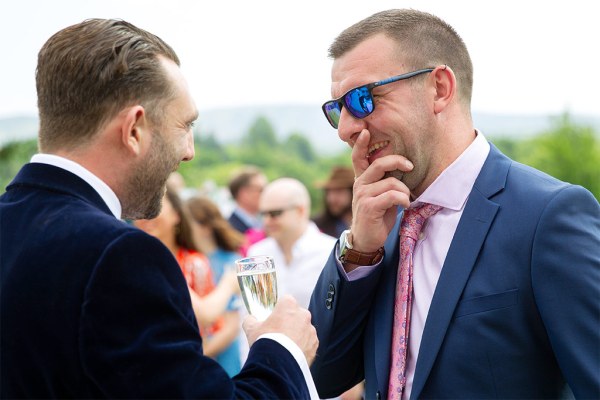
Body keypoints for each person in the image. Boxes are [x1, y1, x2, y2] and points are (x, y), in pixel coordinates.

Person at [0, 18, 318, 398]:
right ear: (135, 129)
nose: (189, 152)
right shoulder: (119, 257)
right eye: (184, 125)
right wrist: (282, 349)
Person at [309, 8, 600, 400]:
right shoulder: (379, 229)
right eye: (336, 110)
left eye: (363, 99)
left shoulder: (548, 217)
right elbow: (322, 375)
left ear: (440, 88)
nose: (346, 129)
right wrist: (359, 251)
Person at [133, 185, 238, 338]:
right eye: (138, 209)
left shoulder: (193, 263)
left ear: (176, 214)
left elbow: (205, 322)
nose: (145, 216)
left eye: (154, 205)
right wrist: (229, 283)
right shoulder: (133, 260)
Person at [247, 177, 336, 309]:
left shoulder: (331, 252)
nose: (267, 221)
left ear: (300, 210)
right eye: (263, 214)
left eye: (275, 213)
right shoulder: (257, 252)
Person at [187, 195, 247, 376]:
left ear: (205, 226)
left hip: (224, 357)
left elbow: (231, 327)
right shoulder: (189, 259)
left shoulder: (230, 263)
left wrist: (193, 357)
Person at [312, 166, 355, 238]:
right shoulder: (316, 227)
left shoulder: (369, 224)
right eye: (329, 192)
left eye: (338, 191)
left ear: (353, 192)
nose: (331, 199)